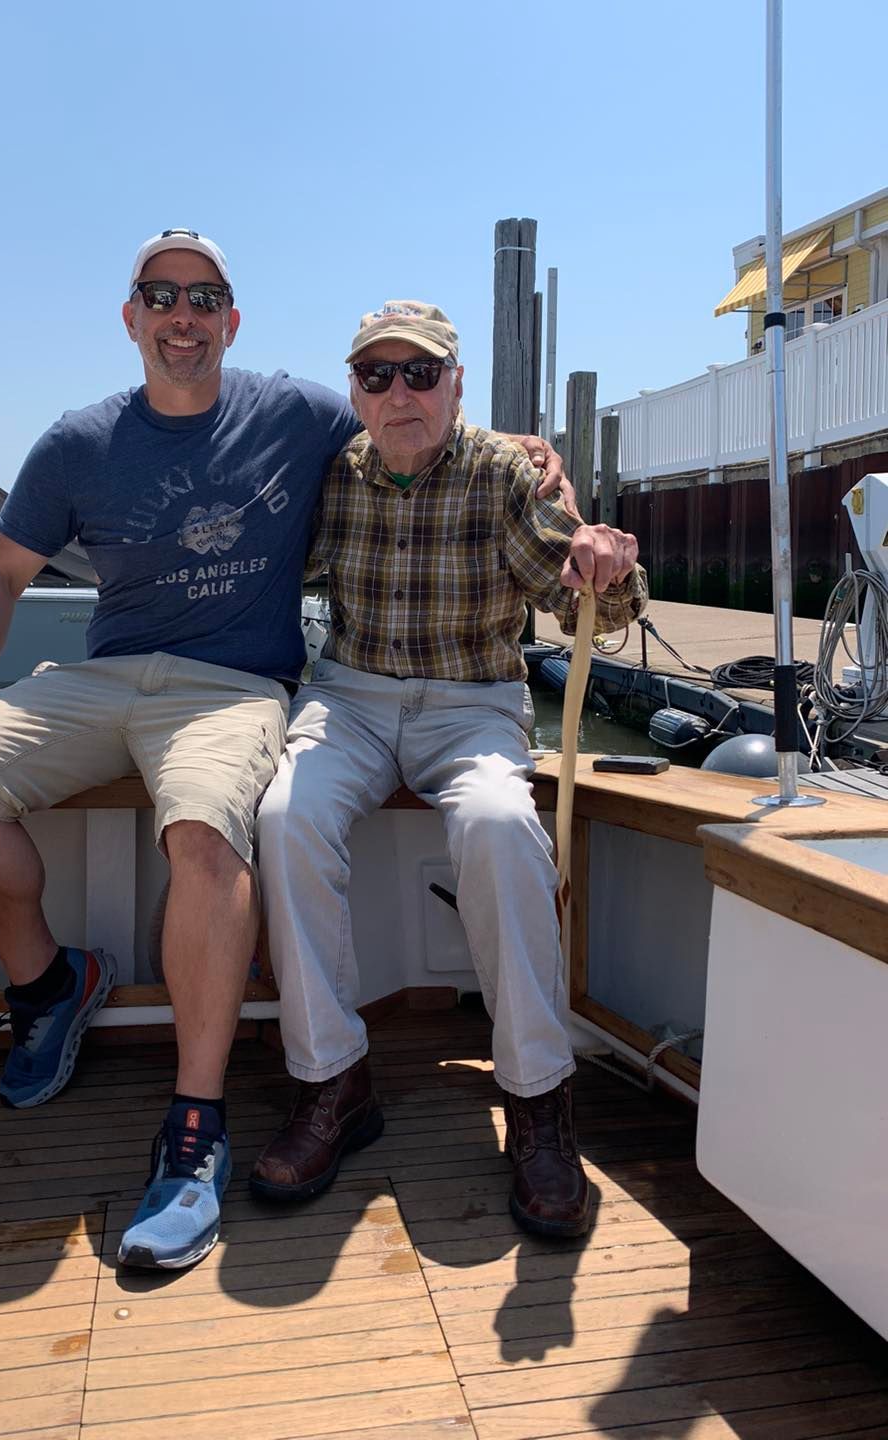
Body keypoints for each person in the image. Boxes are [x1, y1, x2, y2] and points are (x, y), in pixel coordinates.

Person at [0, 234, 572, 1271]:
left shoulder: (293, 412)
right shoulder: (79, 441)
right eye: (161, 296)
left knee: (222, 834)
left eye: (204, 297)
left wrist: (524, 451)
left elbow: (437, 439)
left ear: (232, 321)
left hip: (233, 691)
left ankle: (200, 1125)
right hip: (111, 674)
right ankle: (49, 985)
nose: (183, 314)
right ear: (131, 318)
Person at [251, 300, 646, 1237]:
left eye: (421, 374)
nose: (400, 394)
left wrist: (605, 561)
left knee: (503, 827)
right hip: (349, 697)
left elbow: (589, 594)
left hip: (471, 704)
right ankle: (332, 1079)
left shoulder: (505, 474)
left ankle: (540, 1100)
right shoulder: (332, 474)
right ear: (354, 390)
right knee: (284, 820)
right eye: (378, 376)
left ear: (456, 385)